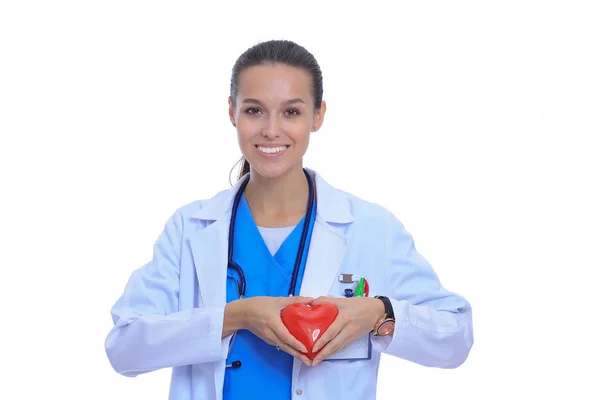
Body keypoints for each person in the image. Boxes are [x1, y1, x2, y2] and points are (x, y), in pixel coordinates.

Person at [104, 39, 474, 400]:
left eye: (291, 112)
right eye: (254, 110)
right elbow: (125, 348)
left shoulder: (371, 229)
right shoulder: (190, 228)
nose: (271, 130)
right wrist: (236, 316)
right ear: (231, 111)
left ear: (318, 116)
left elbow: (456, 337)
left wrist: (379, 313)